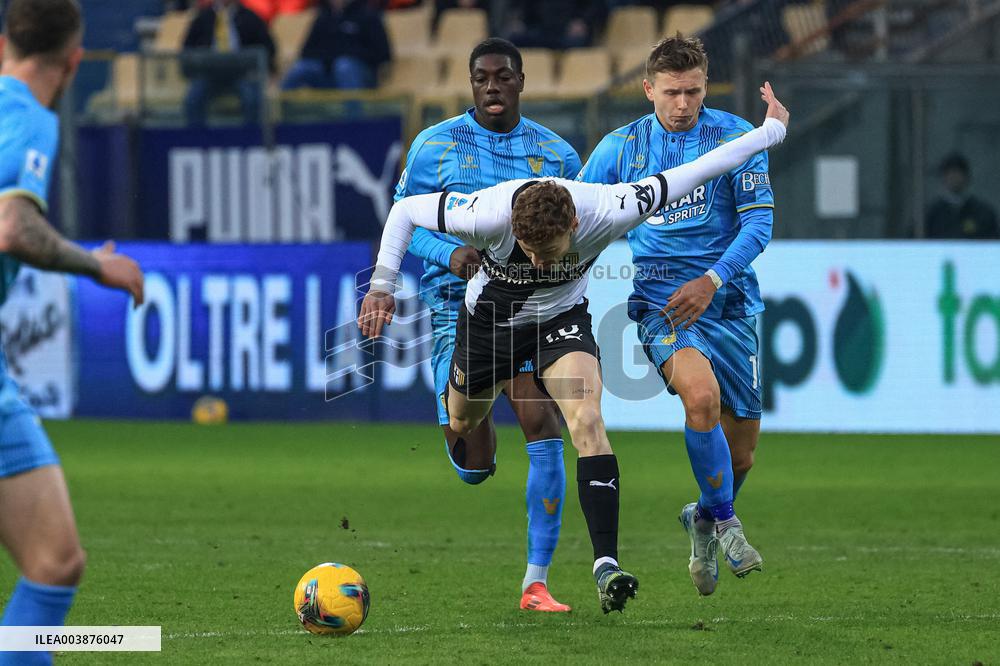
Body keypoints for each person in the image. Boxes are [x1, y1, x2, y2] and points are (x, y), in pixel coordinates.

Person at [360, 82, 789, 613]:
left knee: (586, 420)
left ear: (574, 224)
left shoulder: (612, 206)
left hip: (561, 320)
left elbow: (702, 168)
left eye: (551, 250)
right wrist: (381, 285)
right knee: (464, 425)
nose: (541, 263)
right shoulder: (485, 211)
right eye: (531, 252)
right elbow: (403, 213)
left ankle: (606, 564)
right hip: (489, 321)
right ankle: (465, 406)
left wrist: (771, 131)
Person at [577, 34, 772, 597]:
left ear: (705, 86)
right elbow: (581, 212)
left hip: (728, 298)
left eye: (692, 91)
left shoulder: (736, 137)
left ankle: (705, 517)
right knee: (701, 397)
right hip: (662, 302)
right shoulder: (622, 148)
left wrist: (712, 280)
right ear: (648, 90)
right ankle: (727, 521)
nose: (682, 104)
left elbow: (759, 225)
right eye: (670, 93)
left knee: (743, 453)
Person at [393, 38, 582, 613]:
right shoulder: (436, 145)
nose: (493, 86)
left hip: (531, 307)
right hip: (458, 307)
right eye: (482, 78)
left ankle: (536, 583)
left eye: (503, 76)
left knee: (544, 420)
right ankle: (464, 426)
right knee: (474, 466)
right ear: (471, 84)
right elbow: (403, 220)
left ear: (521, 82)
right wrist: (448, 254)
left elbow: (581, 225)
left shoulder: (556, 154)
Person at [0, 1, 145, 663]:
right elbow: (15, 228)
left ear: (6, 43)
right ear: (75, 59)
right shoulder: (29, 117)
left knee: (55, 561)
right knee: (53, 562)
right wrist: (98, 265)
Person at [181, 0, 276, 125]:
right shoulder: (204, 17)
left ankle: (251, 139)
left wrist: (253, 66)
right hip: (209, 74)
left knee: (252, 98)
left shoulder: (250, 17)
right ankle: (198, 140)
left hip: (242, 74)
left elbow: (268, 48)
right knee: (193, 99)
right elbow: (187, 49)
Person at [282, 0, 391, 90]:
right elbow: (306, 51)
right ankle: (279, 112)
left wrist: (346, 55)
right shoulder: (323, 17)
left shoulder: (368, 15)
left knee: (344, 66)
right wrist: (329, 59)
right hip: (328, 72)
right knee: (302, 67)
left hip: (361, 74)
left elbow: (382, 54)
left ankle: (353, 114)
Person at [925, 153, 999, 239]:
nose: (954, 177)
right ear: (943, 178)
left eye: (958, 172)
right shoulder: (931, 213)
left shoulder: (983, 213)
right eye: (949, 173)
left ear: (967, 177)